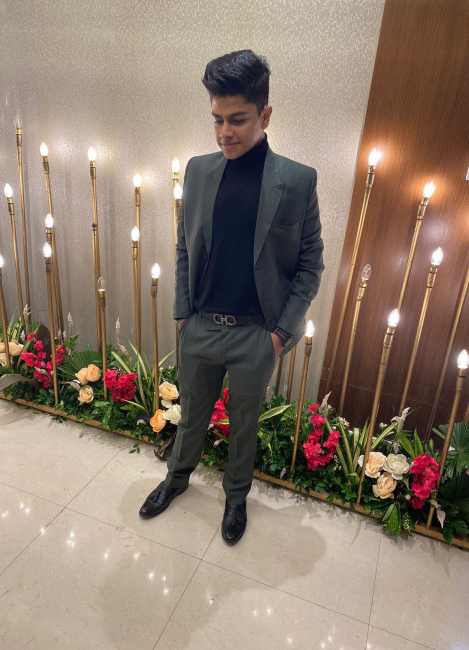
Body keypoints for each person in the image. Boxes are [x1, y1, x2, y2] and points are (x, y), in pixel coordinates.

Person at [139, 50, 324, 544]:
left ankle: (236, 498)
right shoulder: (199, 171)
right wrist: (183, 315)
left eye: (237, 119)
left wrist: (280, 334)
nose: (225, 132)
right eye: (217, 119)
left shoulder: (297, 181)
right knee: (191, 413)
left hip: (255, 335)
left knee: (243, 425)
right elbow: (184, 247)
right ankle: (176, 479)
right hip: (200, 326)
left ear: (265, 115)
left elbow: (310, 265)